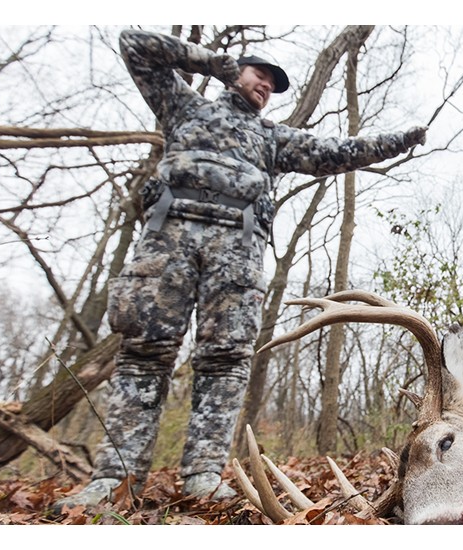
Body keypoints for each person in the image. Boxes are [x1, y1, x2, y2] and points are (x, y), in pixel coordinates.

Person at [55, 29, 427, 509]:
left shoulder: (271, 138)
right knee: (144, 353)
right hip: (168, 243)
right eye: (260, 74)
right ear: (238, 71)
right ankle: (114, 480)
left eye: (274, 83)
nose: (266, 86)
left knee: (227, 361)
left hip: (238, 254)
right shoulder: (185, 108)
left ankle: (203, 477)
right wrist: (214, 62)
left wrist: (401, 140)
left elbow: (338, 152)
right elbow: (134, 44)